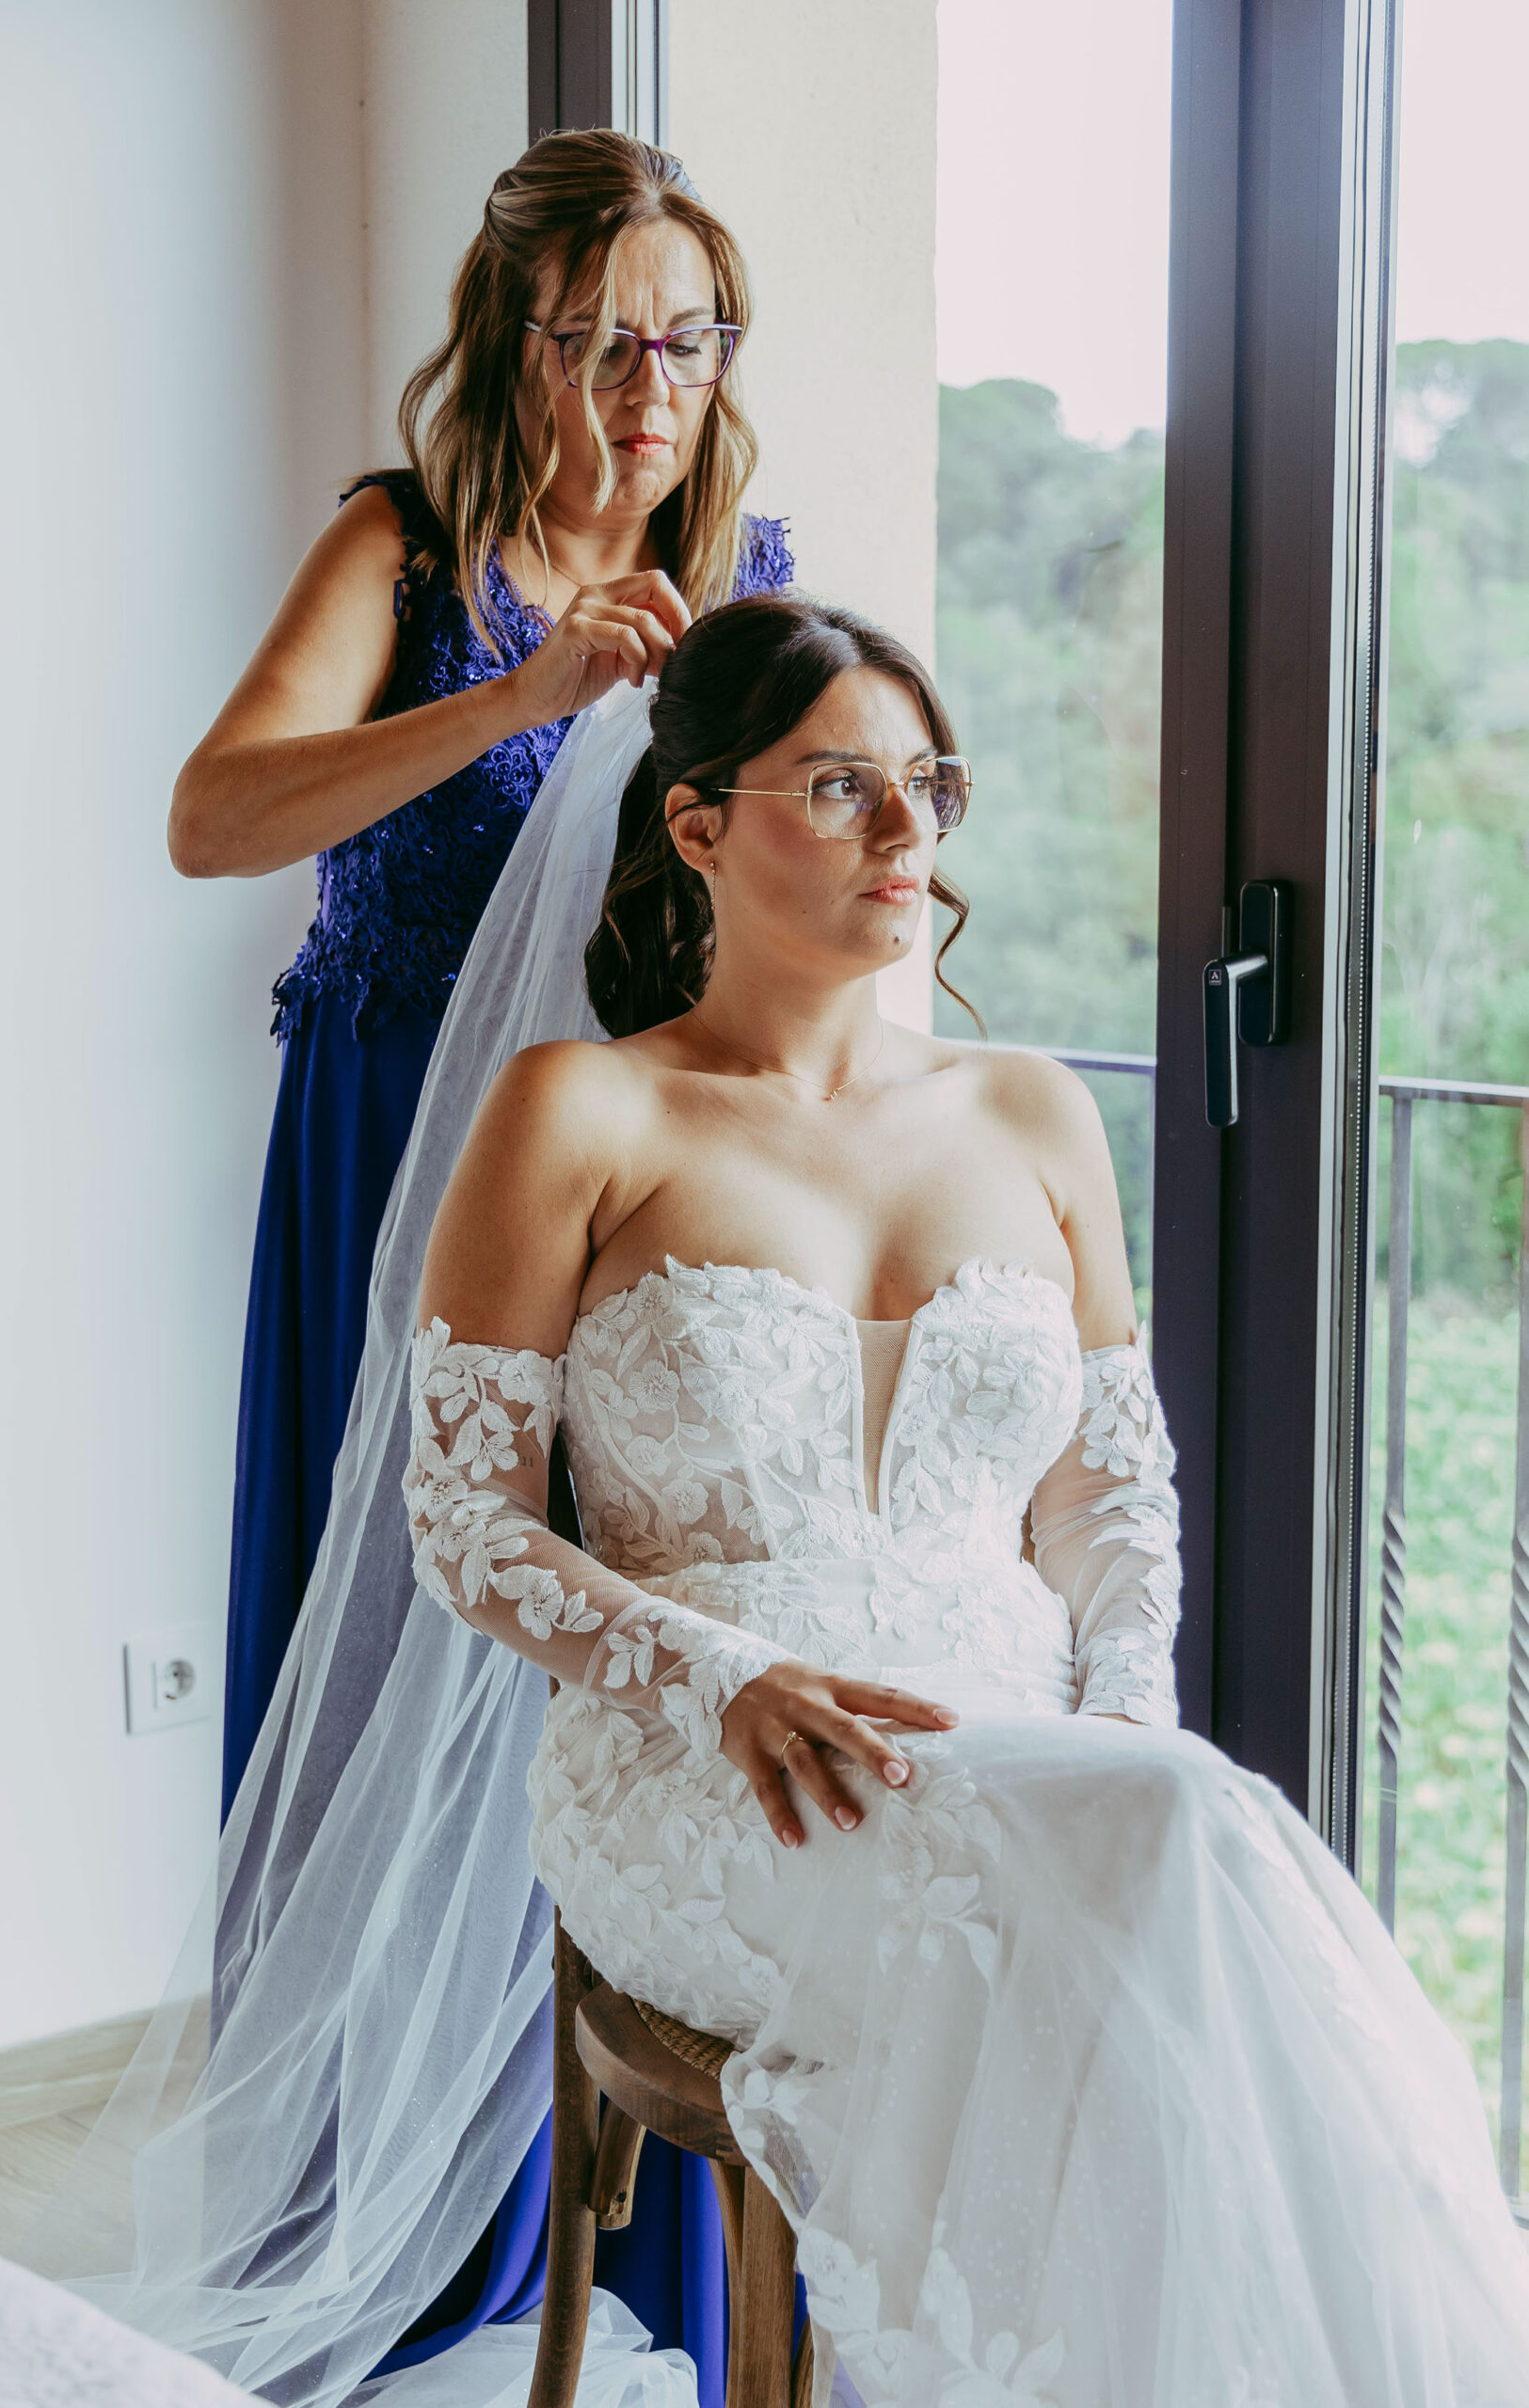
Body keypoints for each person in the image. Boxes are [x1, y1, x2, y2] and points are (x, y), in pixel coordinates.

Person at [404, 593, 1529, 2405]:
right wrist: (720, 1677)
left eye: (926, 783)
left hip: (1037, 1743)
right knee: (1167, 1908)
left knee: (1165, 1836)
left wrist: (1125, 1718)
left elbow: (1108, 1495)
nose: (903, 827)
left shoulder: (1032, 1113)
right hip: (712, 1761)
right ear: (696, 824)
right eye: (837, 785)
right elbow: (462, 1525)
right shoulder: (582, 1110)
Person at [166, 127, 789, 2394]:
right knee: (385, 1657)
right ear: (510, 339)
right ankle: (390, 2236)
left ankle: (616, 2237)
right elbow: (215, 813)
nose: (649, 390)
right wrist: (523, 702)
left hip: (620, 1199)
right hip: (388, 1177)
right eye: (601, 339)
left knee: (606, 1663)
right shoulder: (404, 548)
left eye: (687, 341)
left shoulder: (744, 570)